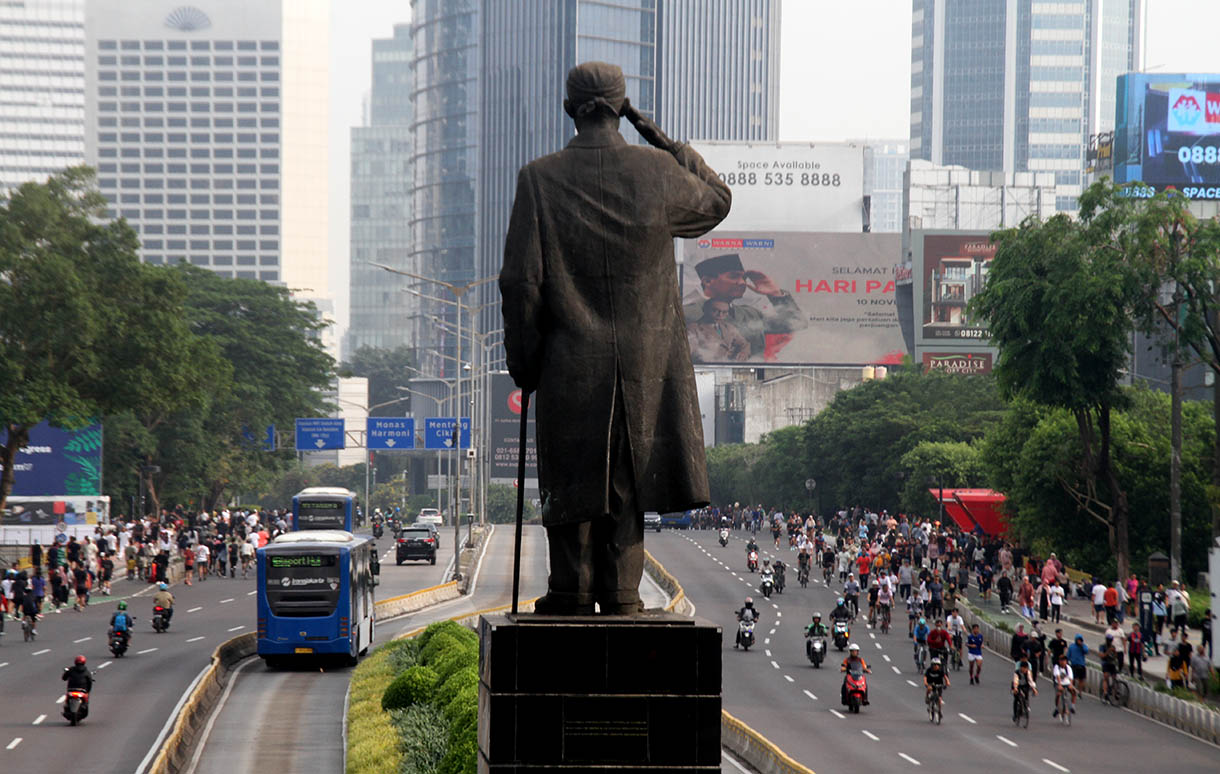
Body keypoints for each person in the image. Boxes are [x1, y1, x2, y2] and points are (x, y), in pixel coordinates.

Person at [500, 62, 730, 614]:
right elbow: (717, 198)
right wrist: (658, 135)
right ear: (621, 106)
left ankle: (570, 592)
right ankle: (623, 595)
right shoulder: (655, 171)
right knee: (626, 479)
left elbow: (519, 282)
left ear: (568, 108)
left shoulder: (540, 178)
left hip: (567, 363)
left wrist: (525, 362)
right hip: (644, 365)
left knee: (571, 481)